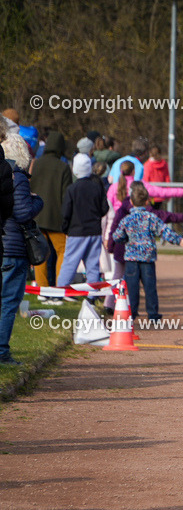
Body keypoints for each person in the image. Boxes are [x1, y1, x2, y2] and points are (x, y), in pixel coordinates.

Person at [112, 184, 183, 322]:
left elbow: (117, 236)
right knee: (150, 287)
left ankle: (131, 312)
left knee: (132, 287)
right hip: (148, 258)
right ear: (147, 201)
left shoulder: (126, 219)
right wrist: (179, 240)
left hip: (131, 259)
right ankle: (153, 313)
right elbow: (164, 231)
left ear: (131, 201)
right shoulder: (151, 217)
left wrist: (125, 239)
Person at [0, 126, 41, 364]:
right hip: (14, 247)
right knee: (8, 303)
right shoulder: (19, 177)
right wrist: (38, 201)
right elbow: (23, 212)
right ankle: (2, 351)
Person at [57, 155, 109, 287]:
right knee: (93, 265)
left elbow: (66, 212)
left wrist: (65, 228)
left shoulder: (72, 189)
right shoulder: (97, 187)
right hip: (94, 231)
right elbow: (104, 209)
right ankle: (92, 295)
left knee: (70, 263)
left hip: (76, 231)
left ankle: (61, 291)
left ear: (75, 169)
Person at [30, 131, 73, 288]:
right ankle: (60, 287)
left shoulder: (36, 164)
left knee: (39, 253)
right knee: (63, 251)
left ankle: (42, 287)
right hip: (56, 219)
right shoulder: (63, 167)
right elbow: (66, 196)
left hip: (37, 216)